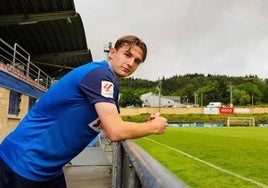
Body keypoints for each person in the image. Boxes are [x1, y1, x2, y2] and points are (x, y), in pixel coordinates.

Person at [0, 35, 168, 188]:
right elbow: (115, 131)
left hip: (49, 169)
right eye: (127, 55)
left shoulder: (108, 83)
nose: (131, 63)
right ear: (112, 52)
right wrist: (154, 127)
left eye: (137, 61)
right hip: (23, 163)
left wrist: (145, 124)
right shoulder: (99, 75)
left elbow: (112, 122)